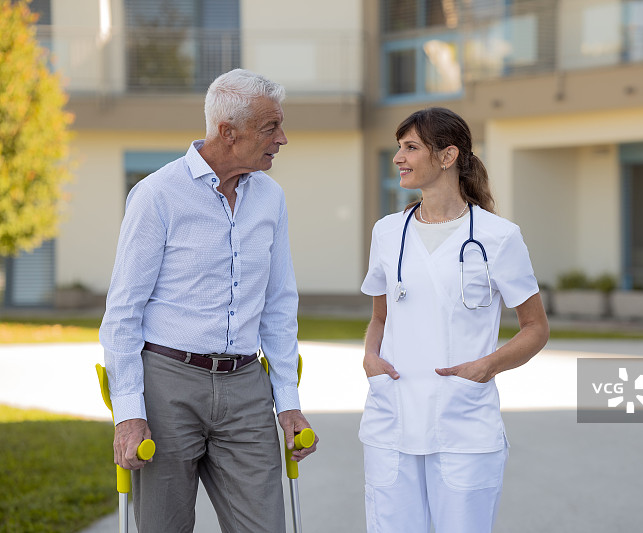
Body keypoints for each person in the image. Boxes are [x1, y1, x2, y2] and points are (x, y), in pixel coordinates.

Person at [99, 68, 318, 533]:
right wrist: (130, 414)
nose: (281, 138)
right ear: (227, 133)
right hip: (168, 386)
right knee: (165, 526)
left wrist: (289, 404)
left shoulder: (270, 199)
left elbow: (279, 305)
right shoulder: (157, 195)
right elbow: (122, 312)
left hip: (244, 385)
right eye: (270, 128)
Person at [360, 107, 549, 533]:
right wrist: (370, 357)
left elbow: (536, 328)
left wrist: (486, 367)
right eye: (399, 147)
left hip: (462, 419)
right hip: (393, 414)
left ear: (447, 156)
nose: (398, 158)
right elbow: (380, 317)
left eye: (411, 148)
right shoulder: (388, 232)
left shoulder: (499, 236)